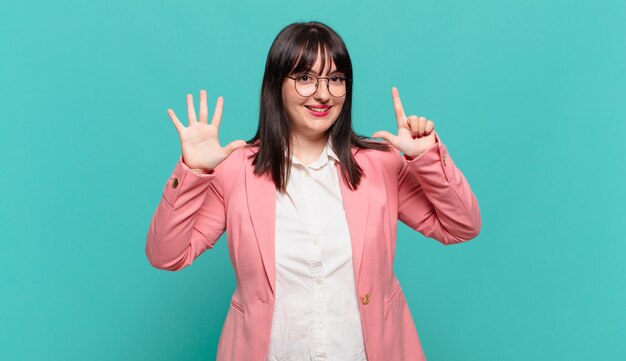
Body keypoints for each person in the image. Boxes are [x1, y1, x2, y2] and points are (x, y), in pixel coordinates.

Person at [145, 21, 481, 361]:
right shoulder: (235, 171)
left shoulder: (380, 165)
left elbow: (461, 225)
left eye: (335, 79)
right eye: (305, 78)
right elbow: (167, 255)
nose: (323, 94)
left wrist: (426, 158)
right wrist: (193, 172)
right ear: (276, 84)